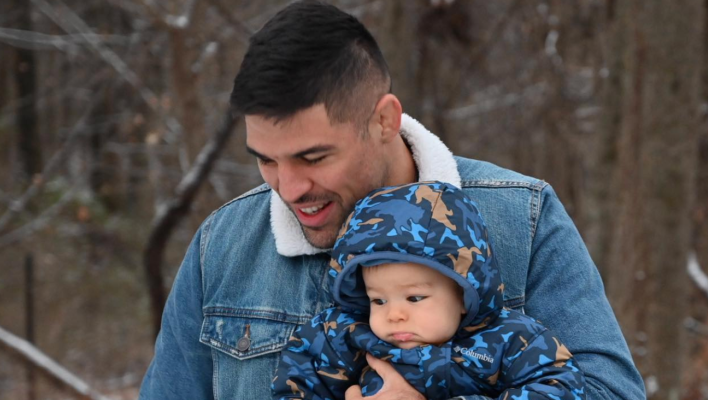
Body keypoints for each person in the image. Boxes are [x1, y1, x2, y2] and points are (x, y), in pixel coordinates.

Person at [139, 1, 645, 399]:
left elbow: (609, 393)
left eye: (313, 157)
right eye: (266, 160)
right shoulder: (223, 245)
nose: (288, 188)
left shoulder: (521, 218)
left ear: (384, 120)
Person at [271, 181, 586, 400]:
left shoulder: (509, 341)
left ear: (463, 294)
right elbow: (296, 383)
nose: (394, 314)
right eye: (378, 300)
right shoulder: (342, 335)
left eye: (414, 298)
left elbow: (559, 388)